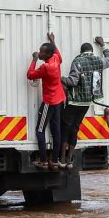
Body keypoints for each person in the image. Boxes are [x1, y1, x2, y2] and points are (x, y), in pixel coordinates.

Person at [65, 37, 109, 174]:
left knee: (66, 126)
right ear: (91, 51)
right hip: (89, 101)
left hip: (75, 101)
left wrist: (59, 78)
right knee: (75, 127)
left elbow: (73, 81)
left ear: (81, 51)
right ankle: (69, 157)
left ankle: (63, 157)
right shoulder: (98, 61)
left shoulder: (77, 61)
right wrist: (103, 45)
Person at [29, 38, 67, 170]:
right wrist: (53, 40)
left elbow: (30, 75)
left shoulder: (46, 67)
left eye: (42, 52)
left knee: (40, 130)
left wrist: (34, 59)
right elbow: (57, 52)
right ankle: (55, 160)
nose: (39, 54)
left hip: (49, 101)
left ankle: (44, 161)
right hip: (59, 99)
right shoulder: (56, 59)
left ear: (48, 54)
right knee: (56, 131)